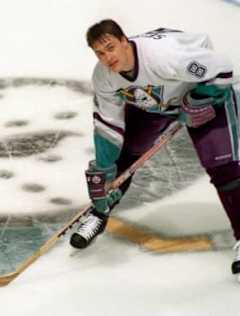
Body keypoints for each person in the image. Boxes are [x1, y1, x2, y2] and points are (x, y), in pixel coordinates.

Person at [70, 19, 240, 279]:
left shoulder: (164, 57)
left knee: (224, 168)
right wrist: (104, 170)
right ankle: (99, 213)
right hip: (155, 103)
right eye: (100, 53)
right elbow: (108, 125)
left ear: (125, 41)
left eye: (111, 47)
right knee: (124, 155)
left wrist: (200, 97)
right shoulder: (104, 76)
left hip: (197, 91)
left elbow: (222, 69)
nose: (107, 57)